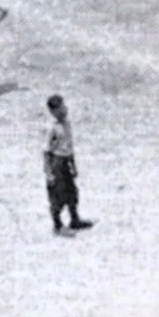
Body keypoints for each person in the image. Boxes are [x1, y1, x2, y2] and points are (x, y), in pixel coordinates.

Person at [43, 94, 93, 235]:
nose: (64, 110)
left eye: (64, 107)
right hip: (57, 162)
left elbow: (69, 146)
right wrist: (49, 173)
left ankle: (74, 219)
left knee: (72, 192)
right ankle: (58, 226)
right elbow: (46, 152)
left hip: (66, 161)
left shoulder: (67, 124)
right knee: (58, 195)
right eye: (60, 109)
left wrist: (73, 164)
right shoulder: (52, 128)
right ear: (53, 112)